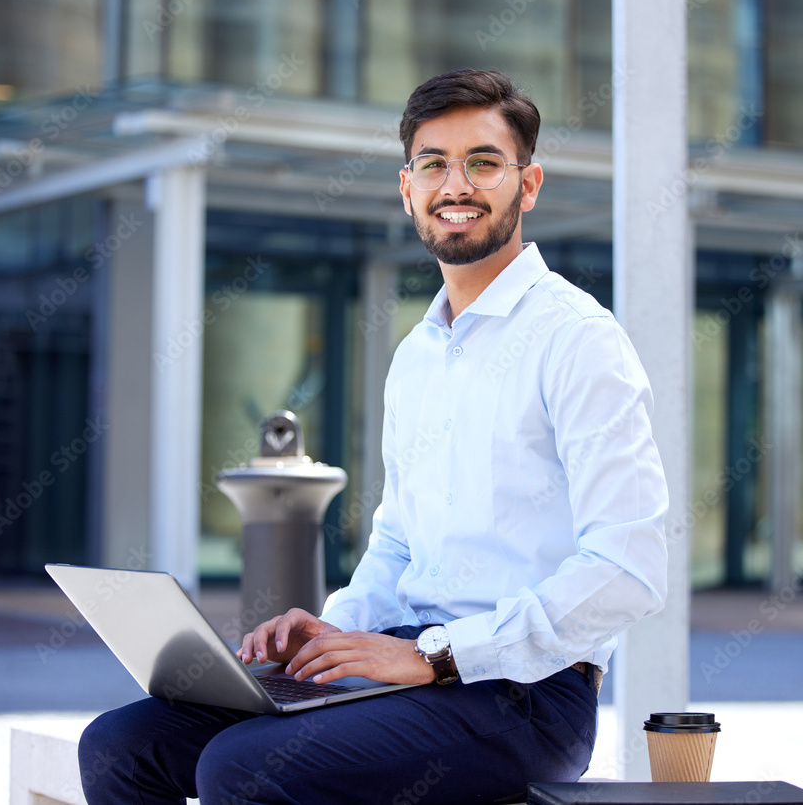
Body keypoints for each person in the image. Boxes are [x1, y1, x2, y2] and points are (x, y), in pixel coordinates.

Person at [78, 68, 669, 805]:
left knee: (239, 765)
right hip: (400, 665)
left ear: (530, 182)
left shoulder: (578, 339)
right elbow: (397, 542)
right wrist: (330, 630)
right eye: (433, 164)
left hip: (524, 696)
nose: (457, 184)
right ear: (407, 188)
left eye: (483, 162)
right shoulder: (418, 354)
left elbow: (632, 567)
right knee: (119, 746)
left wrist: (438, 655)